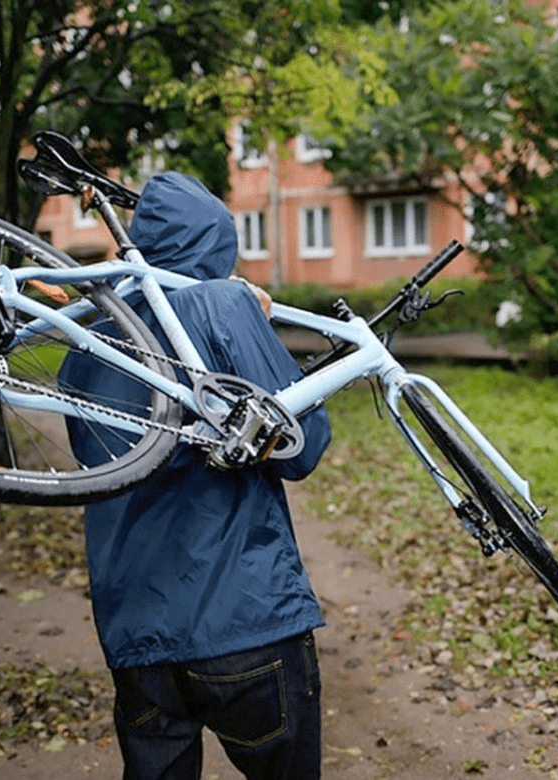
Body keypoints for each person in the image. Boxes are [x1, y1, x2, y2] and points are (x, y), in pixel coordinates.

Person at [58, 172, 332, 780]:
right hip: (246, 620)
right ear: (218, 242)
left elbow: (97, 459)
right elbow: (302, 446)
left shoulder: (90, 337)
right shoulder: (222, 304)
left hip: (137, 638)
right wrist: (251, 324)